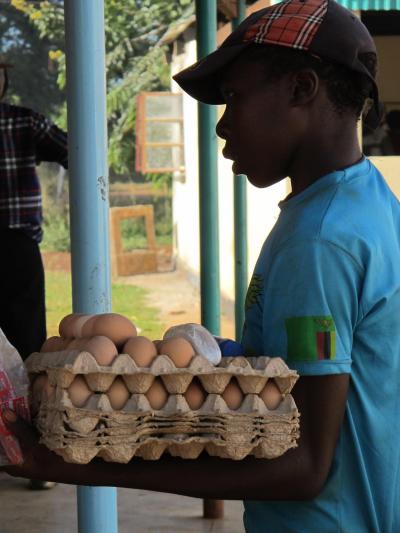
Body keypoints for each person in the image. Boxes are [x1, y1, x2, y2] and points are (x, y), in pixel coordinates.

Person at [1, 1, 400, 531]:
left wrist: (85, 462)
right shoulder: (364, 202)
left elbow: (303, 467)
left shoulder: (321, 241)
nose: (223, 125)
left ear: (303, 89)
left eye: (235, 97)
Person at [0, 62, 68, 489]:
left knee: (27, 344)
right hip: (18, 245)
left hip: (16, 246)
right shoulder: (23, 122)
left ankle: (29, 450)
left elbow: (75, 149)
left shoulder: (23, 122)